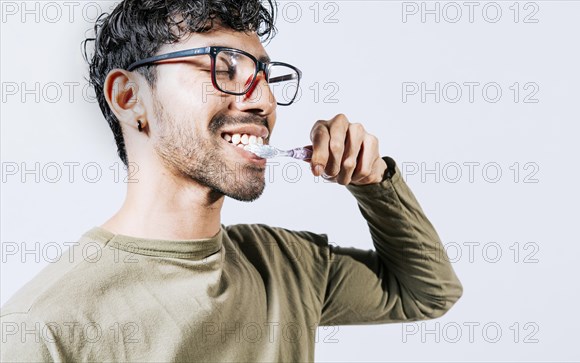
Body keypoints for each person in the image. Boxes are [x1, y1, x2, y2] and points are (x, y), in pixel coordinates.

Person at [0, 0, 463, 361]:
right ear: (130, 97)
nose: (261, 98)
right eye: (224, 66)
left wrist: (371, 180)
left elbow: (426, 292)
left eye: (263, 74)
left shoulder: (287, 265)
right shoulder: (41, 331)